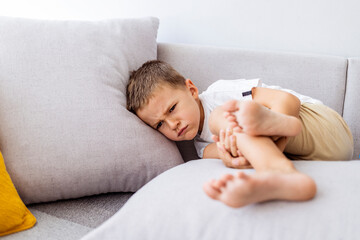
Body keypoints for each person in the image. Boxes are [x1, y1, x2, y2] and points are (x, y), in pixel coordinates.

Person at [126, 60, 354, 208]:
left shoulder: (218, 94)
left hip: (321, 125)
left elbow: (286, 100)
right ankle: (276, 159)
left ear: (192, 90)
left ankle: (274, 130)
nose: (172, 124)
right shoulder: (201, 150)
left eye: (172, 109)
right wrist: (233, 158)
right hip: (321, 159)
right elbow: (240, 158)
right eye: (160, 125)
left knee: (221, 119)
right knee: (235, 138)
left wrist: (279, 135)